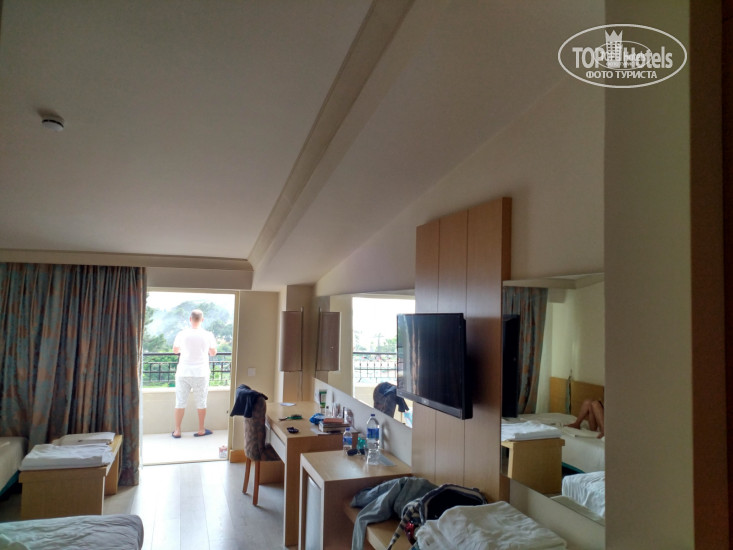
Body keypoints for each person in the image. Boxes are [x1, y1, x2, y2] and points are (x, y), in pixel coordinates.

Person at [171, 309, 217, 438]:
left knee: (180, 401)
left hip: (183, 372)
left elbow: (175, 350)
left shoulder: (182, 334)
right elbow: (213, 353)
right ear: (202, 320)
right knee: (201, 401)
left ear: (190, 319)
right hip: (201, 373)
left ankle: (177, 430)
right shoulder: (208, 335)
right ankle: (201, 429)